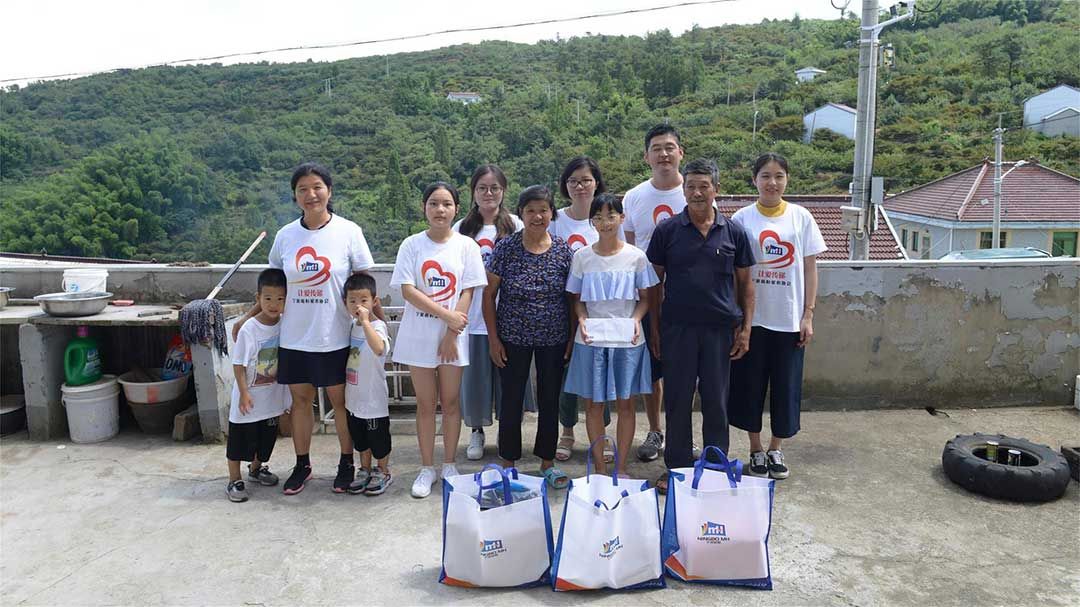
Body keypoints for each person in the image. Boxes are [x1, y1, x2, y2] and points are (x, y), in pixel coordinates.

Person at [235, 162, 376, 495]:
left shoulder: (349, 231)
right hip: (295, 336)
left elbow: (366, 286)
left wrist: (374, 323)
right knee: (300, 403)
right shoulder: (286, 236)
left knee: (340, 403)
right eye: (302, 189)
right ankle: (302, 464)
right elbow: (272, 286)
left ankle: (346, 463)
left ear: (329, 190)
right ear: (295, 195)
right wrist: (248, 318)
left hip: (336, 335)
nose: (310, 194)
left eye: (317, 187)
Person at [645, 159, 756, 494]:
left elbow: (746, 286)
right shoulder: (667, 231)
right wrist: (654, 329)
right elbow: (654, 285)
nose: (696, 192)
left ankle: (714, 466)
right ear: (683, 190)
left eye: (703, 185)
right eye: (690, 185)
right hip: (677, 329)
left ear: (716, 190)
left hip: (720, 331)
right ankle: (677, 468)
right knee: (678, 399)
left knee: (716, 401)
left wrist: (746, 328)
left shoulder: (734, 232)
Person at [729, 153, 826, 480]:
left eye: (779, 176)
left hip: (788, 320)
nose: (772, 182)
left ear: (787, 180)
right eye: (766, 176)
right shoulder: (741, 219)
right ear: (754, 179)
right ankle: (755, 450)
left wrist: (808, 314)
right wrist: (739, 319)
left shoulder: (801, 217)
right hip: (753, 321)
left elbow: (810, 268)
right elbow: (736, 273)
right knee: (749, 387)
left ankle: (775, 449)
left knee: (786, 388)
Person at [391, 182, 487, 499]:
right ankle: (426, 467)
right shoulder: (411, 245)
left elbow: (469, 290)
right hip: (418, 334)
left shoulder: (466, 247)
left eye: (446, 204)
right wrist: (446, 318)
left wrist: (450, 333)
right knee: (424, 404)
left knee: (450, 403)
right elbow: (408, 290)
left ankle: (448, 464)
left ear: (456, 208)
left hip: (453, 338)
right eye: (434, 203)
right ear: (424, 208)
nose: (440, 210)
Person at [484, 185, 574, 489]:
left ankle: (546, 462)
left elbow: (573, 300)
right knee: (510, 401)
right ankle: (508, 462)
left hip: (555, 337)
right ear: (521, 213)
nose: (538, 216)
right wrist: (493, 339)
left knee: (550, 400)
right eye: (531, 210)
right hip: (512, 337)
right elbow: (488, 296)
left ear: (552, 213)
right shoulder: (506, 248)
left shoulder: (563, 250)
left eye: (544, 210)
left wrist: (572, 338)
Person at [563, 194, 658, 477]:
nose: (605, 223)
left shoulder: (636, 256)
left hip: (626, 339)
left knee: (626, 403)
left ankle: (621, 467)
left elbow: (646, 298)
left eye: (611, 216)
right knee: (593, 404)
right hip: (591, 338)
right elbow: (577, 299)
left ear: (622, 218)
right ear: (592, 221)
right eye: (599, 217)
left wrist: (637, 319)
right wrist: (581, 318)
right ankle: (601, 468)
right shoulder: (582, 257)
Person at [452, 164, 532, 461]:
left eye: (494, 188)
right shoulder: (461, 228)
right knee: (475, 381)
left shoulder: (516, 225)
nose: (489, 193)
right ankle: (476, 431)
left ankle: (506, 432)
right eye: (482, 188)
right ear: (473, 192)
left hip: (511, 319)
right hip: (471, 319)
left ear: (503, 191)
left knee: (509, 382)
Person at [622, 124, 687, 464]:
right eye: (657, 148)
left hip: (686, 299)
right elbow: (629, 249)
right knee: (651, 371)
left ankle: (682, 434)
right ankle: (656, 430)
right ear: (646, 156)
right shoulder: (634, 197)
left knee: (684, 370)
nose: (664, 153)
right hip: (645, 299)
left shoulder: (694, 192)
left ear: (681, 153)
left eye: (670, 147)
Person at [551, 157, 614, 464]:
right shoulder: (555, 219)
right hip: (560, 306)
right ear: (565, 186)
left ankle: (602, 432)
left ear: (596, 183)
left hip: (599, 307)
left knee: (601, 369)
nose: (580, 186)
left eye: (586, 180)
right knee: (566, 370)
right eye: (573, 180)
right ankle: (567, 430)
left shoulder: (607, 218)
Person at [226, 268, 290, 502]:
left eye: (280, 299)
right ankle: (234, 479)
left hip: (271, 397)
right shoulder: (249, 329)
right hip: (248, 397)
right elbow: (239, 364)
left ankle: (256, 468)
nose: (274, 304)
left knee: (266, 438)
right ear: (258, 299)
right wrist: (243, 393)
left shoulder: (285, 324)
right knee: (239, 440)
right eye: (268, 298)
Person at [341, 272, 394, 495]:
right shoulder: (351, 326)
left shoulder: (377, 326)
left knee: (378, 440)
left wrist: (365, 321)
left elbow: (380, 348)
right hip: (353, 399)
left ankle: (382, 470)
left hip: (374, 400)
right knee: (361, 440)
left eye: (363, 300)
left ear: (374, 301)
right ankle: (364, 469)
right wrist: (359, 322)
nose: (357, 305)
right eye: (352, 301)